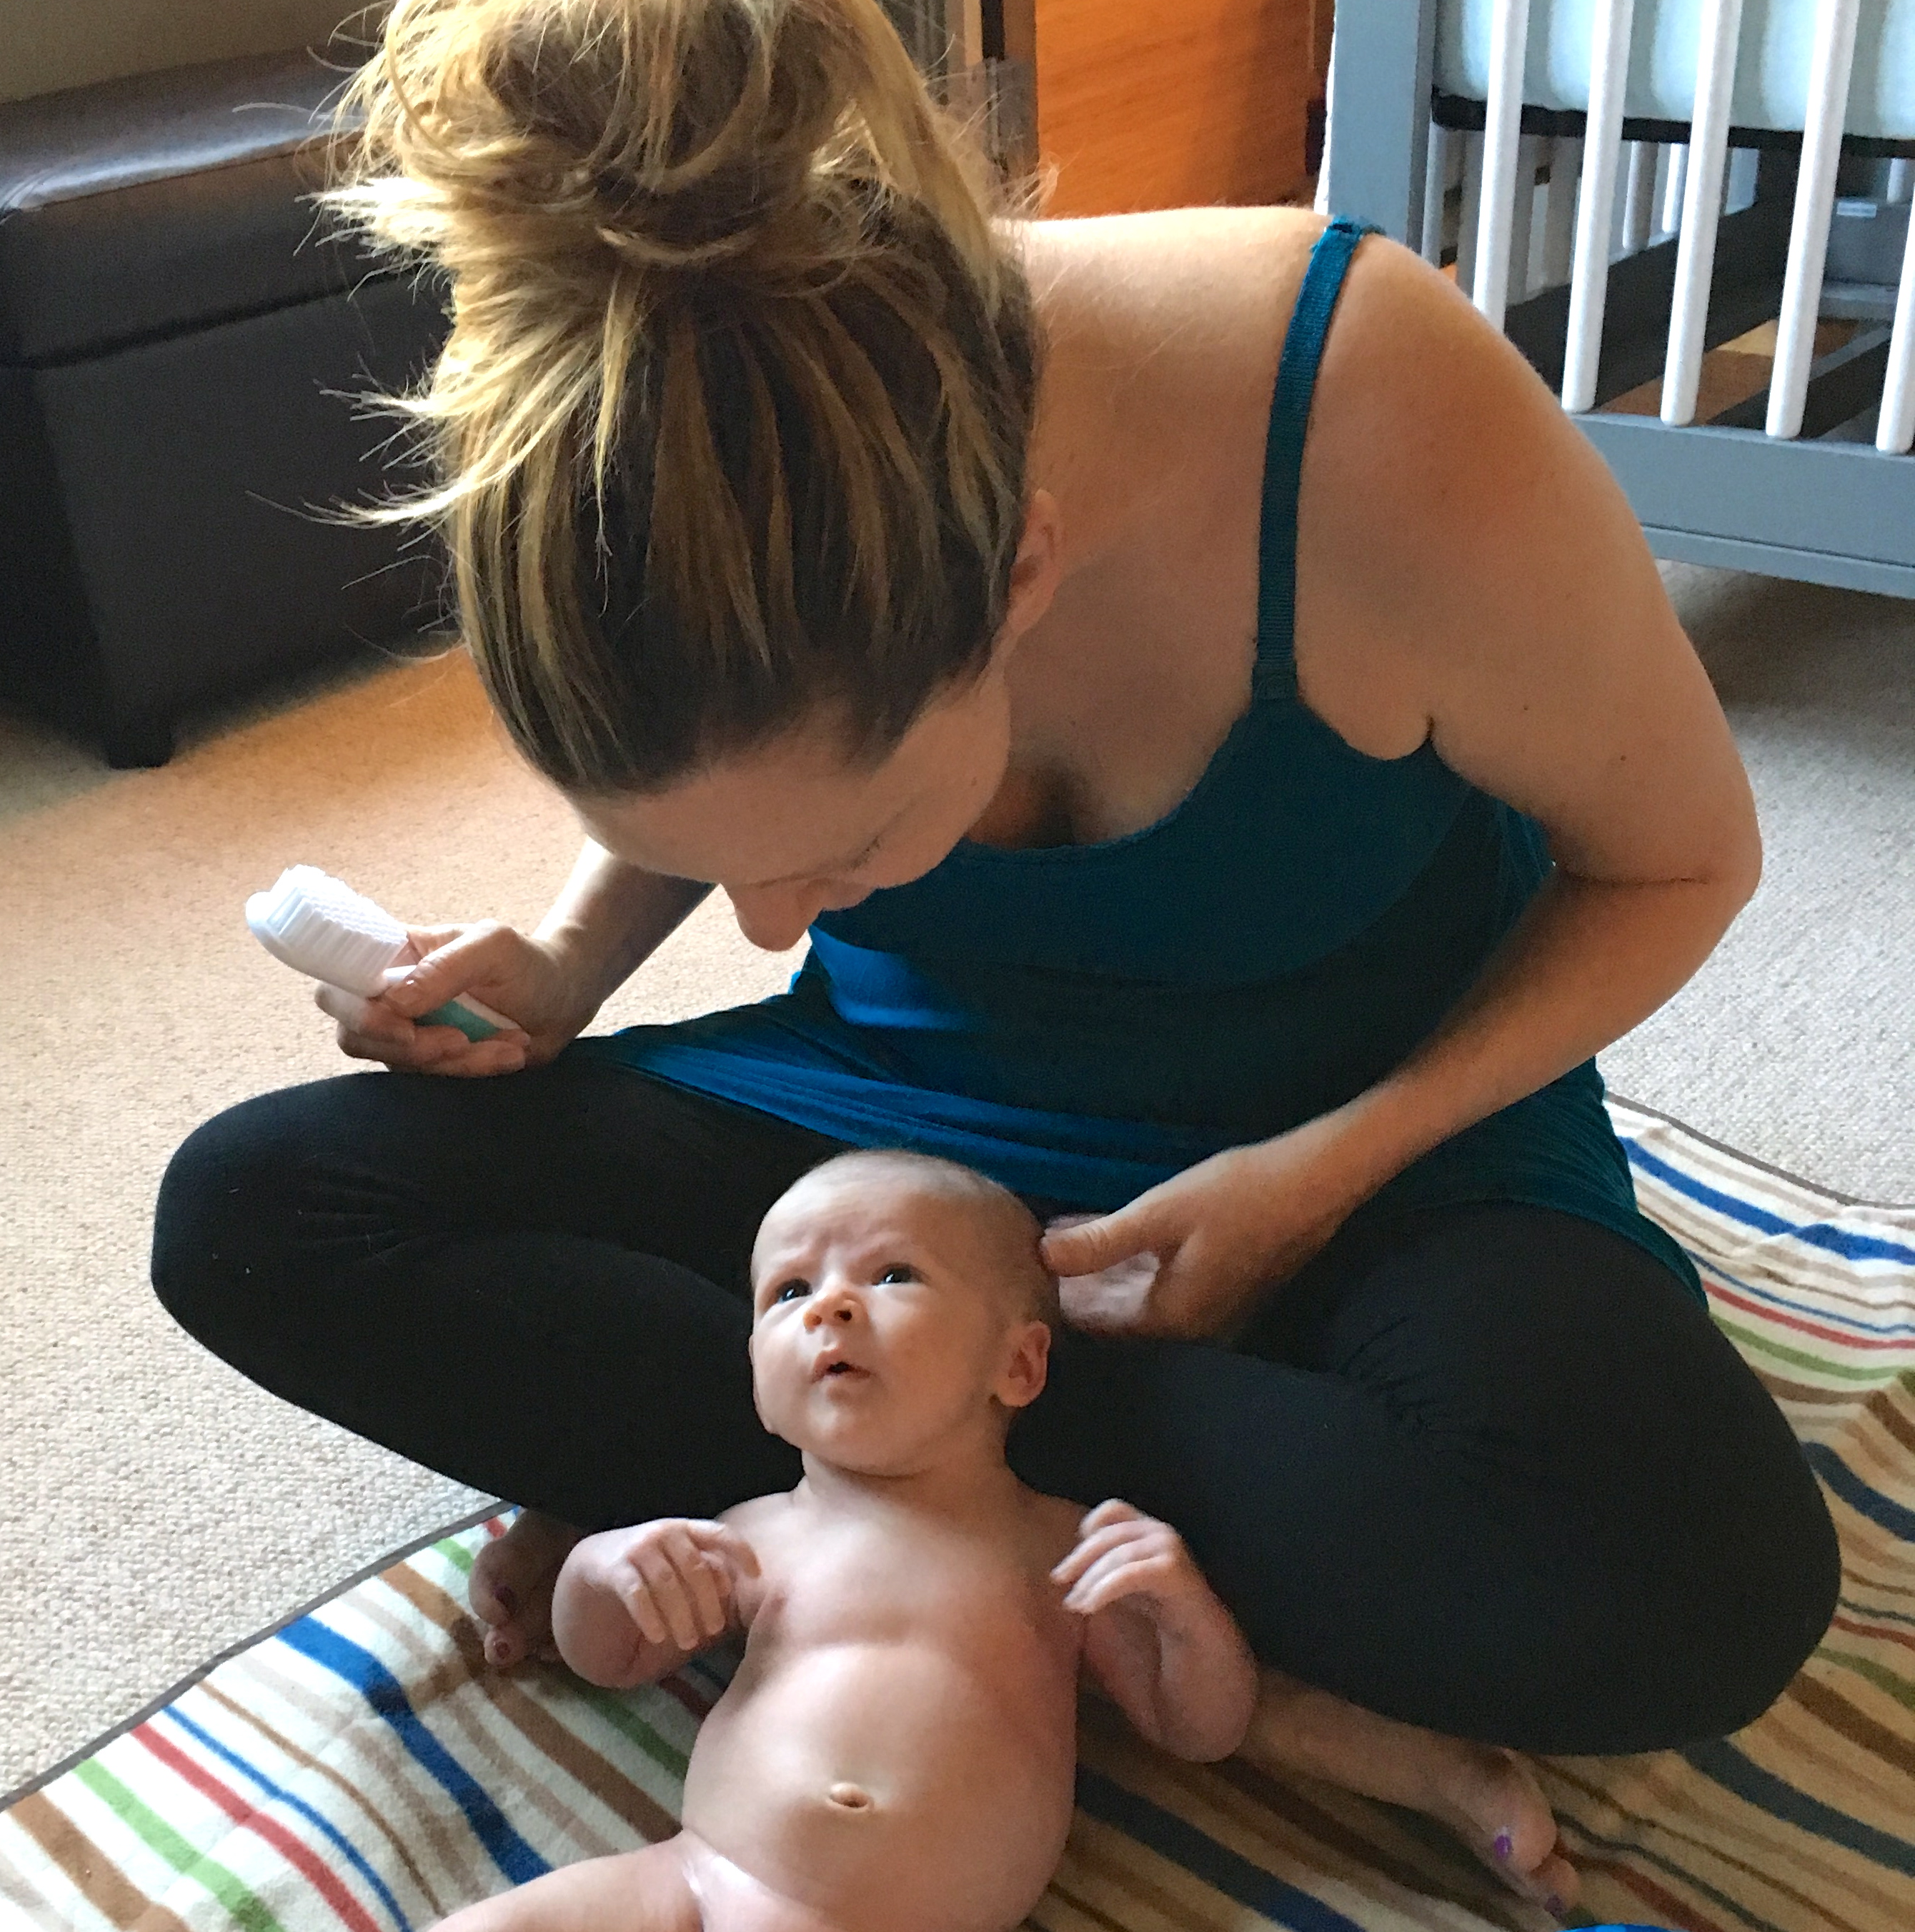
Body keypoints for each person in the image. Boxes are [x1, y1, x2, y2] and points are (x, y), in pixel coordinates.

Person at [152, 0, 1839, 1916]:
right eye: (733, 866)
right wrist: (561, 958)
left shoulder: (1375, 414)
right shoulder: (677, 404)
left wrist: (1315, 1177)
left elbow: (1678, 862)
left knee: (1692, 1588)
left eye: (847, 844)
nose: (773, 924)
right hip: (900, 1137)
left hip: (1374, 1132)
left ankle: (864, 1480)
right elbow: (721, 762)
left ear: (1019, 579)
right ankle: (963, 1497)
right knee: (257, 1212)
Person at [440, 1147, 1259, 1932]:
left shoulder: (1062, 1549)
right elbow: (608, 1657)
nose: (827, 1306)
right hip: (699, 1882)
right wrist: (599, 1569)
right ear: (758, 1380)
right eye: (788, 1290)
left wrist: (1186, 1616)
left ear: (1017, 1364)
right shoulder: (754, 1533)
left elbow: (1194, 1728)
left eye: (892, 1274)